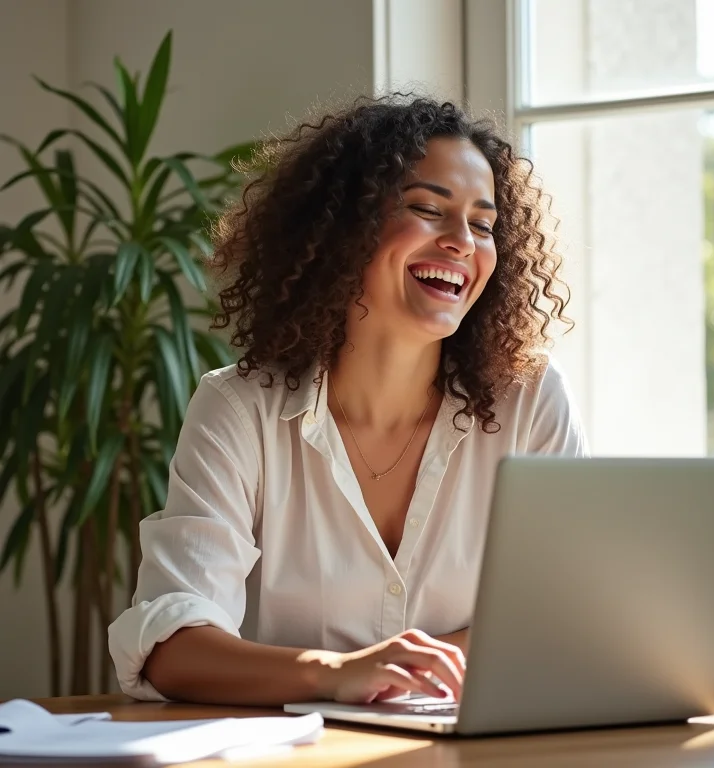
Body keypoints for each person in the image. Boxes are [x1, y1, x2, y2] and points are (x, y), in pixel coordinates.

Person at [108, 94, 588, 706]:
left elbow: (564, 615)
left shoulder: (529, 399)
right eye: (426, 209)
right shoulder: (239, 408)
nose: (463, 242)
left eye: (483, 224)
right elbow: (172, 646)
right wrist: (337, 672)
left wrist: (411, 671)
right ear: (344, 230)